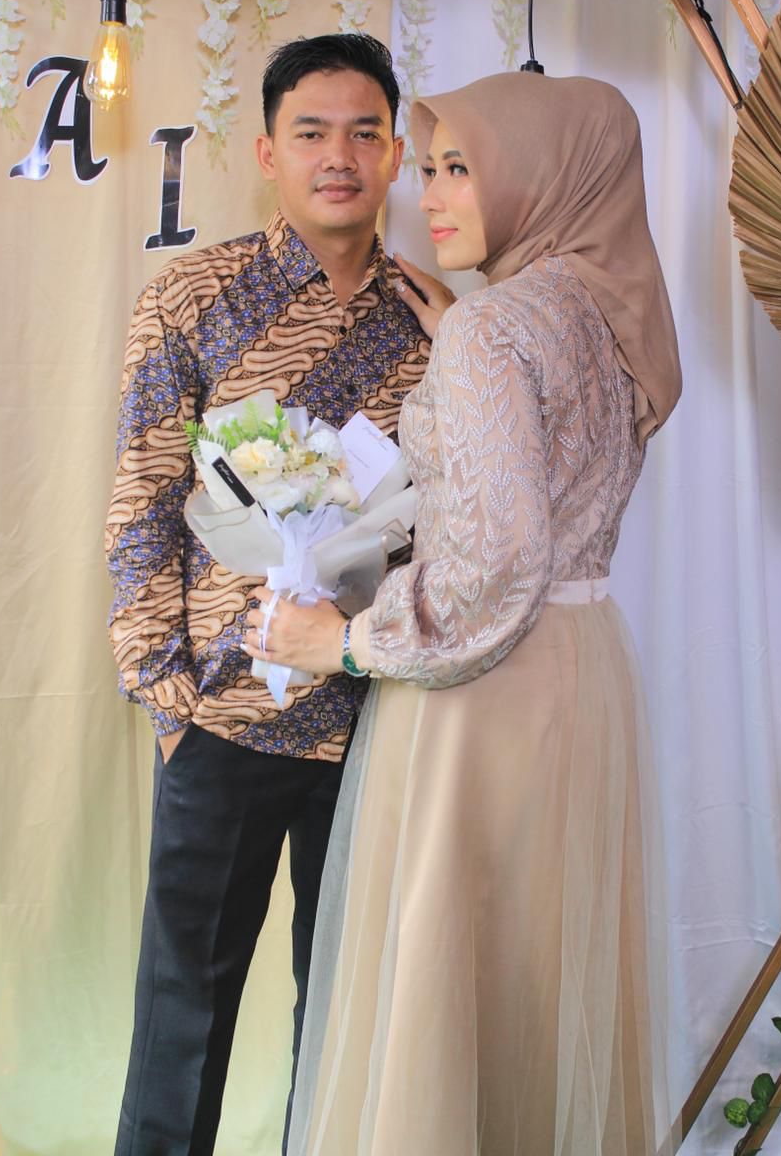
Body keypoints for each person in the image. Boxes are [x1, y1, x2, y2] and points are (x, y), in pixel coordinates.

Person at [247, 71, 683, 1155]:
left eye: (460, 169)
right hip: (583, 669)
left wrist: (343, 640)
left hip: (485, 686)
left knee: (452, 969)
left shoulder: (492, 328)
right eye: (432, 167)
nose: (431, 195)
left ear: (540, 177)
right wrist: (463, 340)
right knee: (540, 972)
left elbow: (494, 566)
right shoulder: (608, 315)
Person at [106, 32, 454, 1156]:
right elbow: (143, 496)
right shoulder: (194, 297)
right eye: (311, 132)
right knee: (183, 1018)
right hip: (222, 714)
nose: (338, 155)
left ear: (395, 153)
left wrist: (463, 345)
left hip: (377, 717)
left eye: (364, 132)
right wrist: (166, 696)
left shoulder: (431, 319)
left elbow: (457, 523)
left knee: (348, 1019)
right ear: (268, 150)